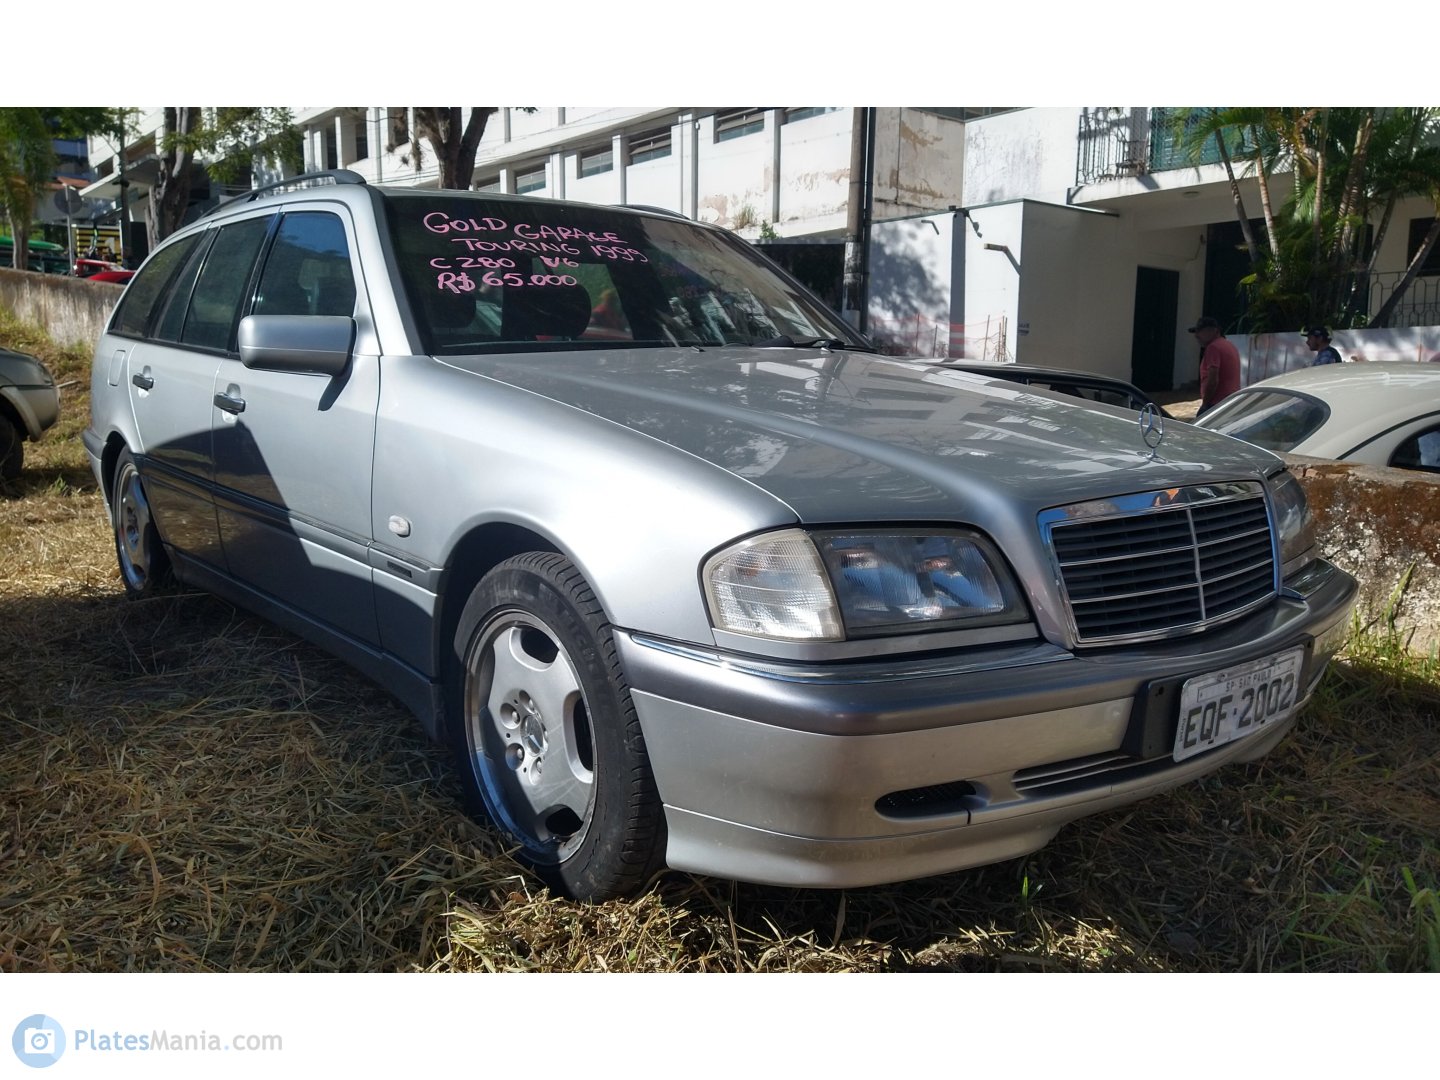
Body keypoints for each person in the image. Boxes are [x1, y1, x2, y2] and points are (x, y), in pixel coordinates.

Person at [1189, 315, 1241, 417]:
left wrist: (1205, 404)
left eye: (1200, 331)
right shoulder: (1228, 345)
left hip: (1216, 402)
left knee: (1199, 428)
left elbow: (1213, 380)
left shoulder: (1213, 348)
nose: (1196, 335)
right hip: (1230, 400)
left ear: (1213, 331)